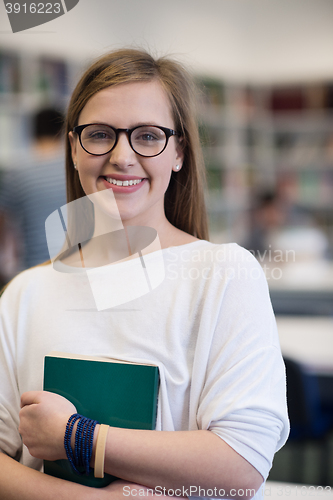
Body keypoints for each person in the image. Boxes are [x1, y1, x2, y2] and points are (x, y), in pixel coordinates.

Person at [0, 49, 289, 500]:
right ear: (74, 148)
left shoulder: (224, 275)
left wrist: (78, 436)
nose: (122, 156)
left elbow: (242, 464)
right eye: (99, 135)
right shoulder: (25, 293)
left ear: (178, 153)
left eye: (148, 136)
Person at [0, 107, 66, 275]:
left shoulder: (17, 171)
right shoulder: (74, 167)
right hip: (74, 263)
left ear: (32, 131)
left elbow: (4, 223)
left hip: (33, 268)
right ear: (63, 131)